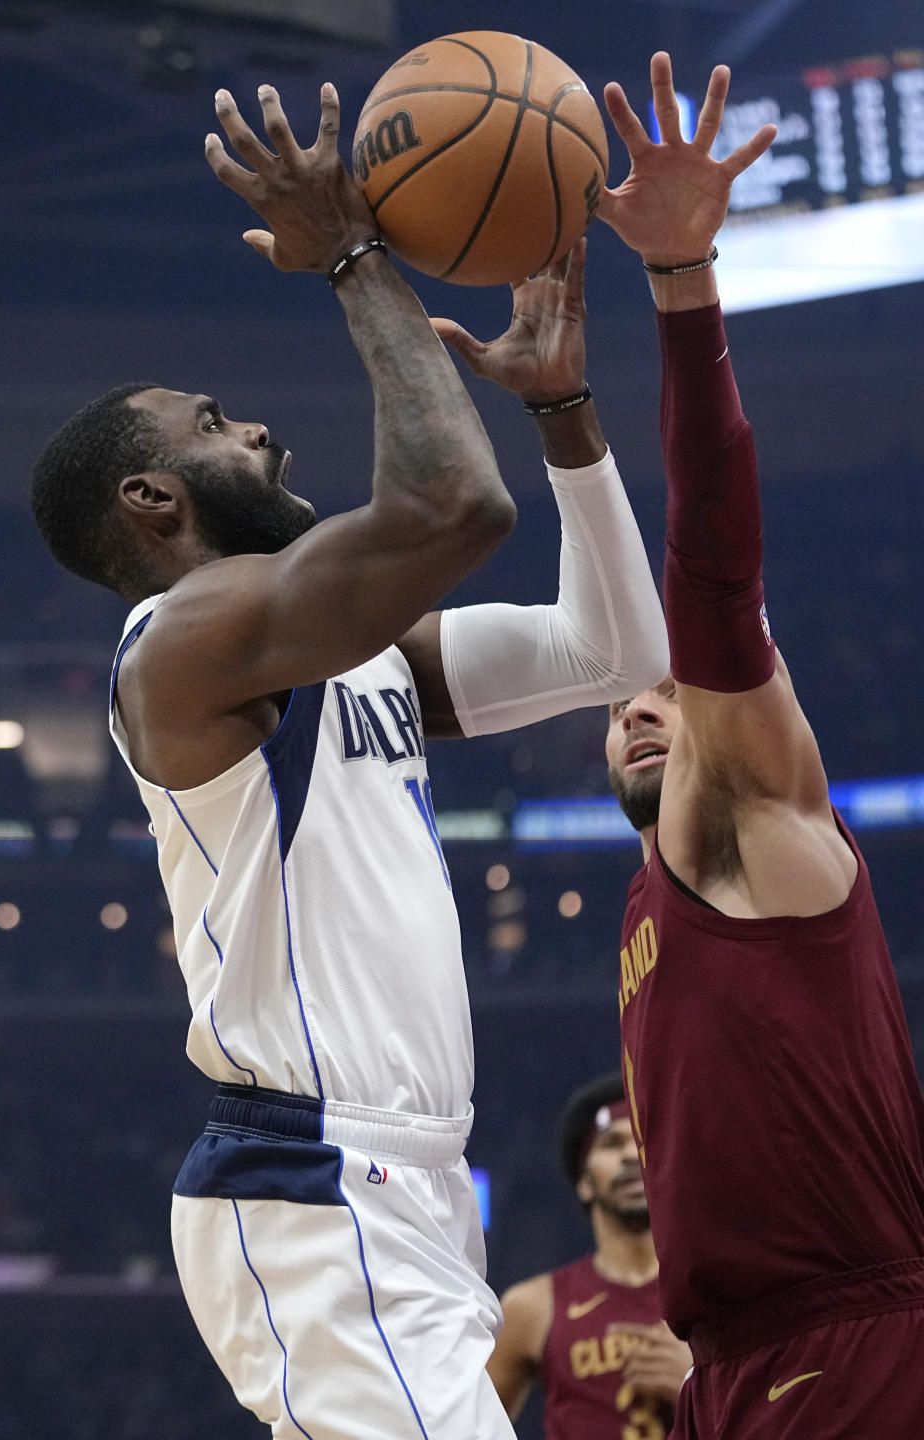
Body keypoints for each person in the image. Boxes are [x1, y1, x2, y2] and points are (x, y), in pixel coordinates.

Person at [29, 81, 669, 1440]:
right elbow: (452, 503)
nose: (261, 429)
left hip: (410, 1189)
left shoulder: (356, 647)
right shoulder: (181, 642)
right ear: (153, 501)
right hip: (311, 1178)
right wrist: (348, 253)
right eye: (214, 422)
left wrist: (568, 414)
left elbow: (612, 651)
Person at [598, 53, 924, 1438]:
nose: (634, 701)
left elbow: (714, 564)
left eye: (670, 690)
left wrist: (682, 289)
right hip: (740, 1366)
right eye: (621, 703)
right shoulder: (649, 903)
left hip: (854, 1341)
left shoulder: (753, 815)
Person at [486, 1072, 691, 1439]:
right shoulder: (533, 1307)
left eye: (642, 1143)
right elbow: (467, 1428)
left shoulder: (716, 1294)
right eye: (612, 1143)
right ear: (584, 1182)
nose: (631, 1155)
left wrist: (697, 1386)